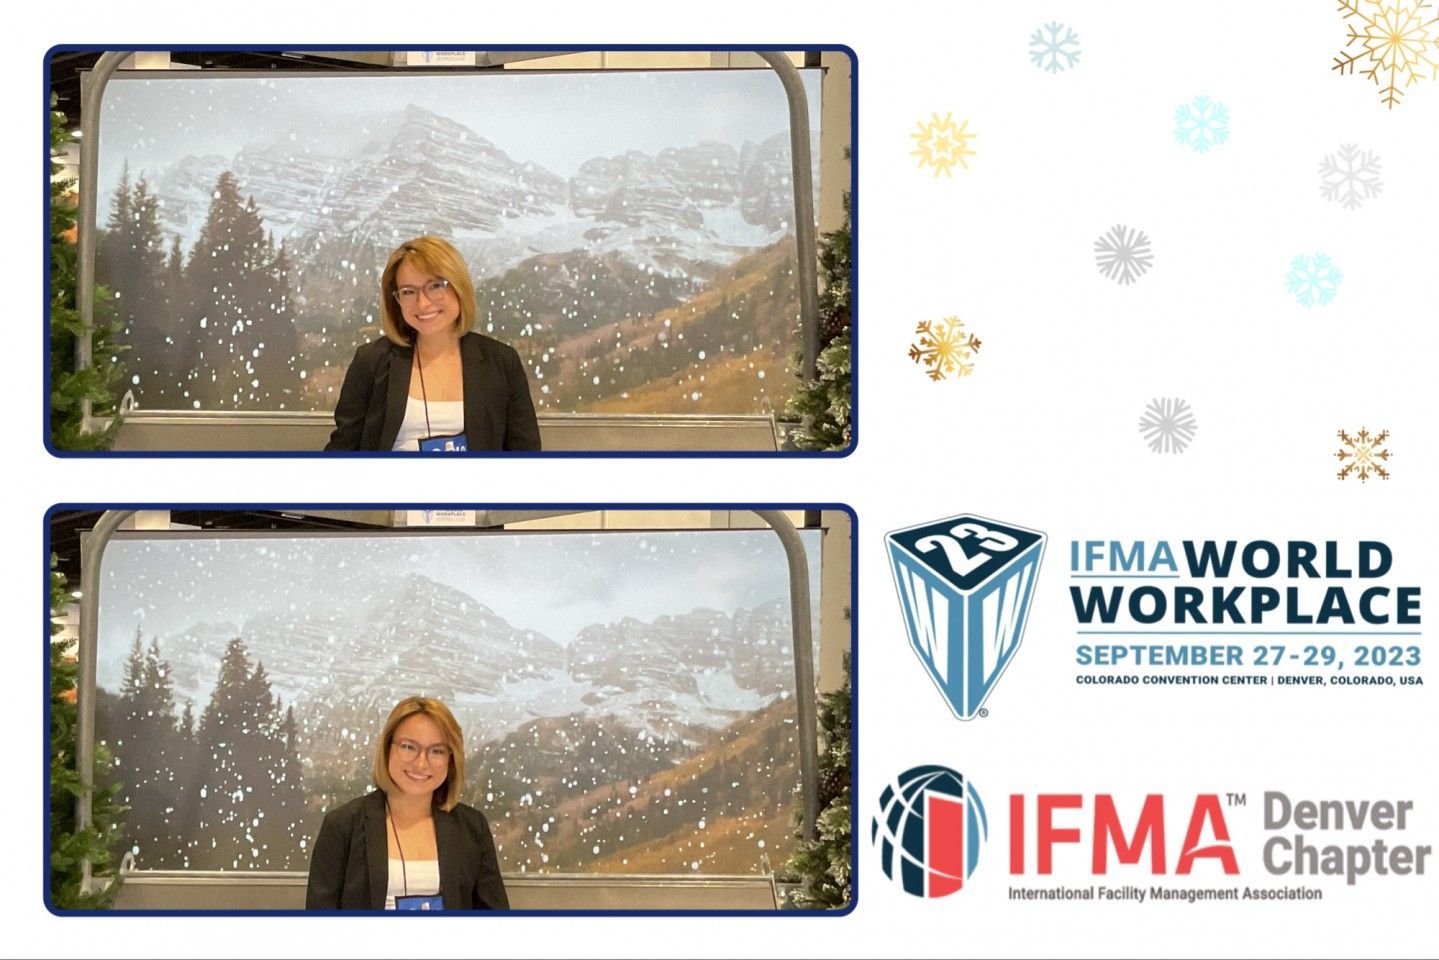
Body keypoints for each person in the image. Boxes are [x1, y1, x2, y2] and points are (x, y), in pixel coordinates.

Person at [324, 236, 541, 451]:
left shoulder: (502, 361)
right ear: (396, 300)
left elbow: (525, 454)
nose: (423, 303)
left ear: (459, 287)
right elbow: (343, 450)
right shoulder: (371, 361)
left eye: (435, 286)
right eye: (408, 292)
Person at [305, 696, 509, 910]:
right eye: (409, 747)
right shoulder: (343, 826)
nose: (421, 763)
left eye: (437, 751)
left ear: (451, 760)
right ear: (387, 749)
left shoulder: (472, 827)